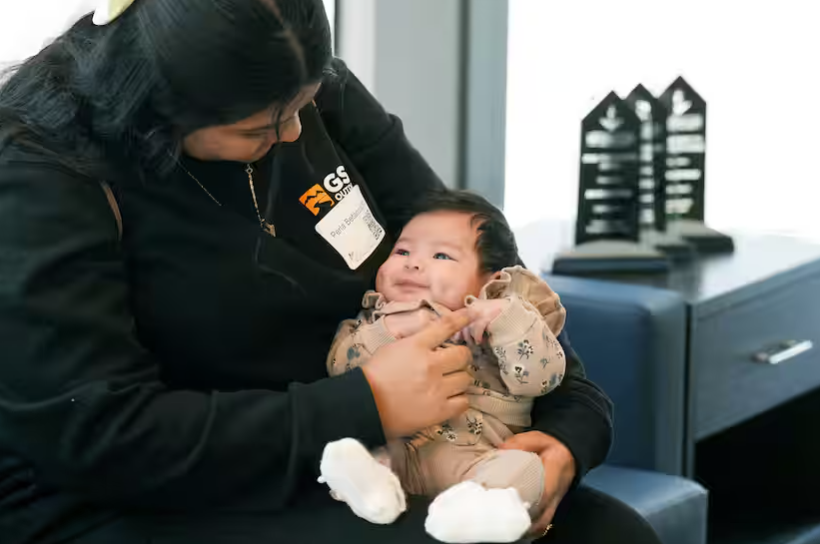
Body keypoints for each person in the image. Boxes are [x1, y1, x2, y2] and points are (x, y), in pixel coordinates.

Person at [0, 1, 658, 543]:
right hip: (131, 496)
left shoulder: (311, 97)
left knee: (610, 535)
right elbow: (100, 435)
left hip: (368, 452)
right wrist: (364, 403)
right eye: (261, 128)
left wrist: (570, 431)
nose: (291, 138)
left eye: (301, 108)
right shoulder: (43, 177)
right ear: (152, 104)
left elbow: (481, 272)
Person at [320, 190, 568, 543]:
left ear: (488, 280)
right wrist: (386, 333)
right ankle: (373, 490)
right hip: (399, 451)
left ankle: (478, 512)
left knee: (525, 469)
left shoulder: (509, 316)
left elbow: (542, 379)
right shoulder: (374, 318)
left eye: (441, 255)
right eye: (402, 251)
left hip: (478, 459)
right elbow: (340, 370)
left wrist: (505, 321)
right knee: (358, 444)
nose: (413, 263)